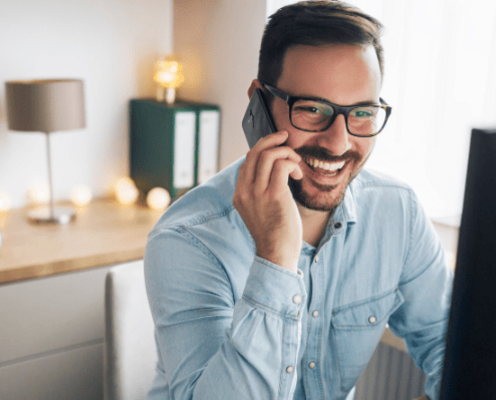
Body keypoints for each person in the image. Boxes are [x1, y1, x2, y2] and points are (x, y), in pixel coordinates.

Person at [144, 1, 453, 399]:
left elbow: (451, 346)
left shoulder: (399, 214)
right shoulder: (187, 239)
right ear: (259, 102)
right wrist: (275, 257)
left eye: (361, 113)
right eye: (312, 109)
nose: (339, 142)